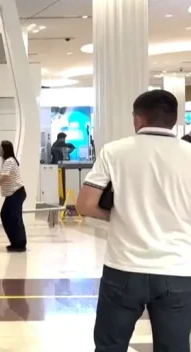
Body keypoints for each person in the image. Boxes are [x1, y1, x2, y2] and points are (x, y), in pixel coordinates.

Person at [77, 89, 191, 352]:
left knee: (110, 346)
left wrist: (117, 215)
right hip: (177, 269)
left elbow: (84, 204)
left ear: (137, 119)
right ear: (173, 119)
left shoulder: (114, 151)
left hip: (123, 268)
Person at [0, 140, 27, 252]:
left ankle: (19, 244)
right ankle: (15, 242)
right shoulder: (6, 161)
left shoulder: (9, 161)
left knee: (14, 218)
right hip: (13, 194)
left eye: (0, 147)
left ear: (4, 149)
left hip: (16, 193)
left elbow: (4, 178)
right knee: (7, 216)